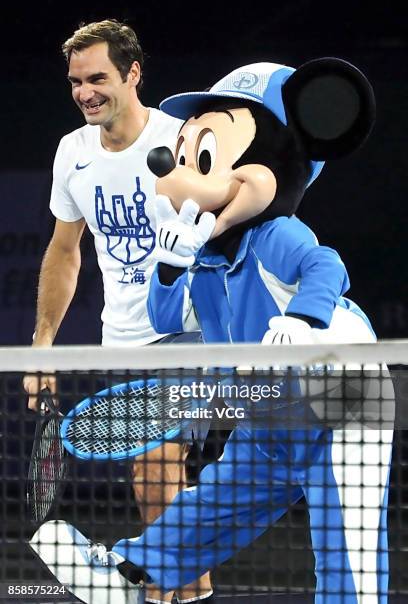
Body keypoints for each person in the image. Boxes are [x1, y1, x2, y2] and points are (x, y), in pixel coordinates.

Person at [31, 59, 394, 604]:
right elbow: (164, 318)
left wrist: (303, 321)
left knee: (347, 544)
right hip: (272, 417)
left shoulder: (274, 234)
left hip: (341, 398)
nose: (184, 175)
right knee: (215, 500)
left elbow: (327, 267)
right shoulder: (204, 263)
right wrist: (173, 265)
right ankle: (131, 572)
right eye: (184, 157)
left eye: (206, 157)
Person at [24, 19, 212, 604]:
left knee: (156, 472)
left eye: (97, 77)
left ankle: (156, 590)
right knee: (155, 485)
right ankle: (192, 591)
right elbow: (64, 250)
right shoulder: (72, 152)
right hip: (122, 337)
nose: (84, 92)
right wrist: (42, 344)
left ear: (133, 74)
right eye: (76, 81)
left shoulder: (183, 136)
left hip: (192, 333)